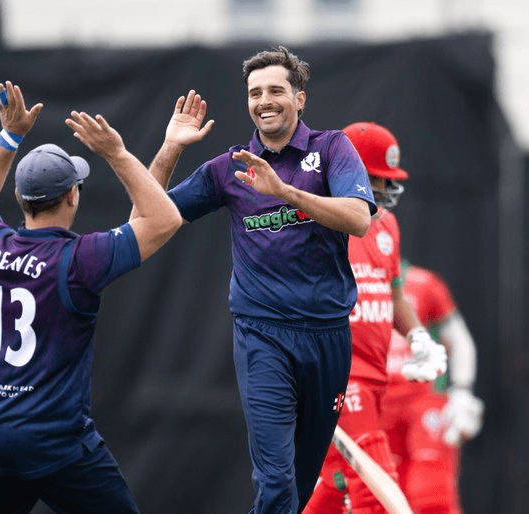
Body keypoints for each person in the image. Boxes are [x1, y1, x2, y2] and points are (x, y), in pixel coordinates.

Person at [134, 46, 377, 513]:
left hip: (328, 335)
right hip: (262, 334)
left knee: (298, 488)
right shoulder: (231, 167)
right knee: (276, 481)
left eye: (275, 90)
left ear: (299, 98)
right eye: (255, 93)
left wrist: (284, 191)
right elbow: (146, 216)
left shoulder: (331, 148)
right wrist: (170, 148)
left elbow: (358, 219)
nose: (264, 101)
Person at [0, 80, 182, 513]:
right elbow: (165, 219)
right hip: (51, 442)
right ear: (72, 195)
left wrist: (10, 135)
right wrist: (117, 153)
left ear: (20, 198)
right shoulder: (79, 259)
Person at [302, 122, 448, 514]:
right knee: (374, 484)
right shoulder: (318, 219)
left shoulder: (387, 224)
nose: (386, 188)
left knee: (337, 484)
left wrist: (418, 338)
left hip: (374, 374)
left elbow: (393, 293)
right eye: (378, 178)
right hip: (337, 374)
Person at [382, 261, 484, 514]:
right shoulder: (349, 285)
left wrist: (462, 392)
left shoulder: (425, 284)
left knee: (431, 494)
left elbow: (459, 339)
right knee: (382, 495)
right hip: (377, 403)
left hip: (424, 399)